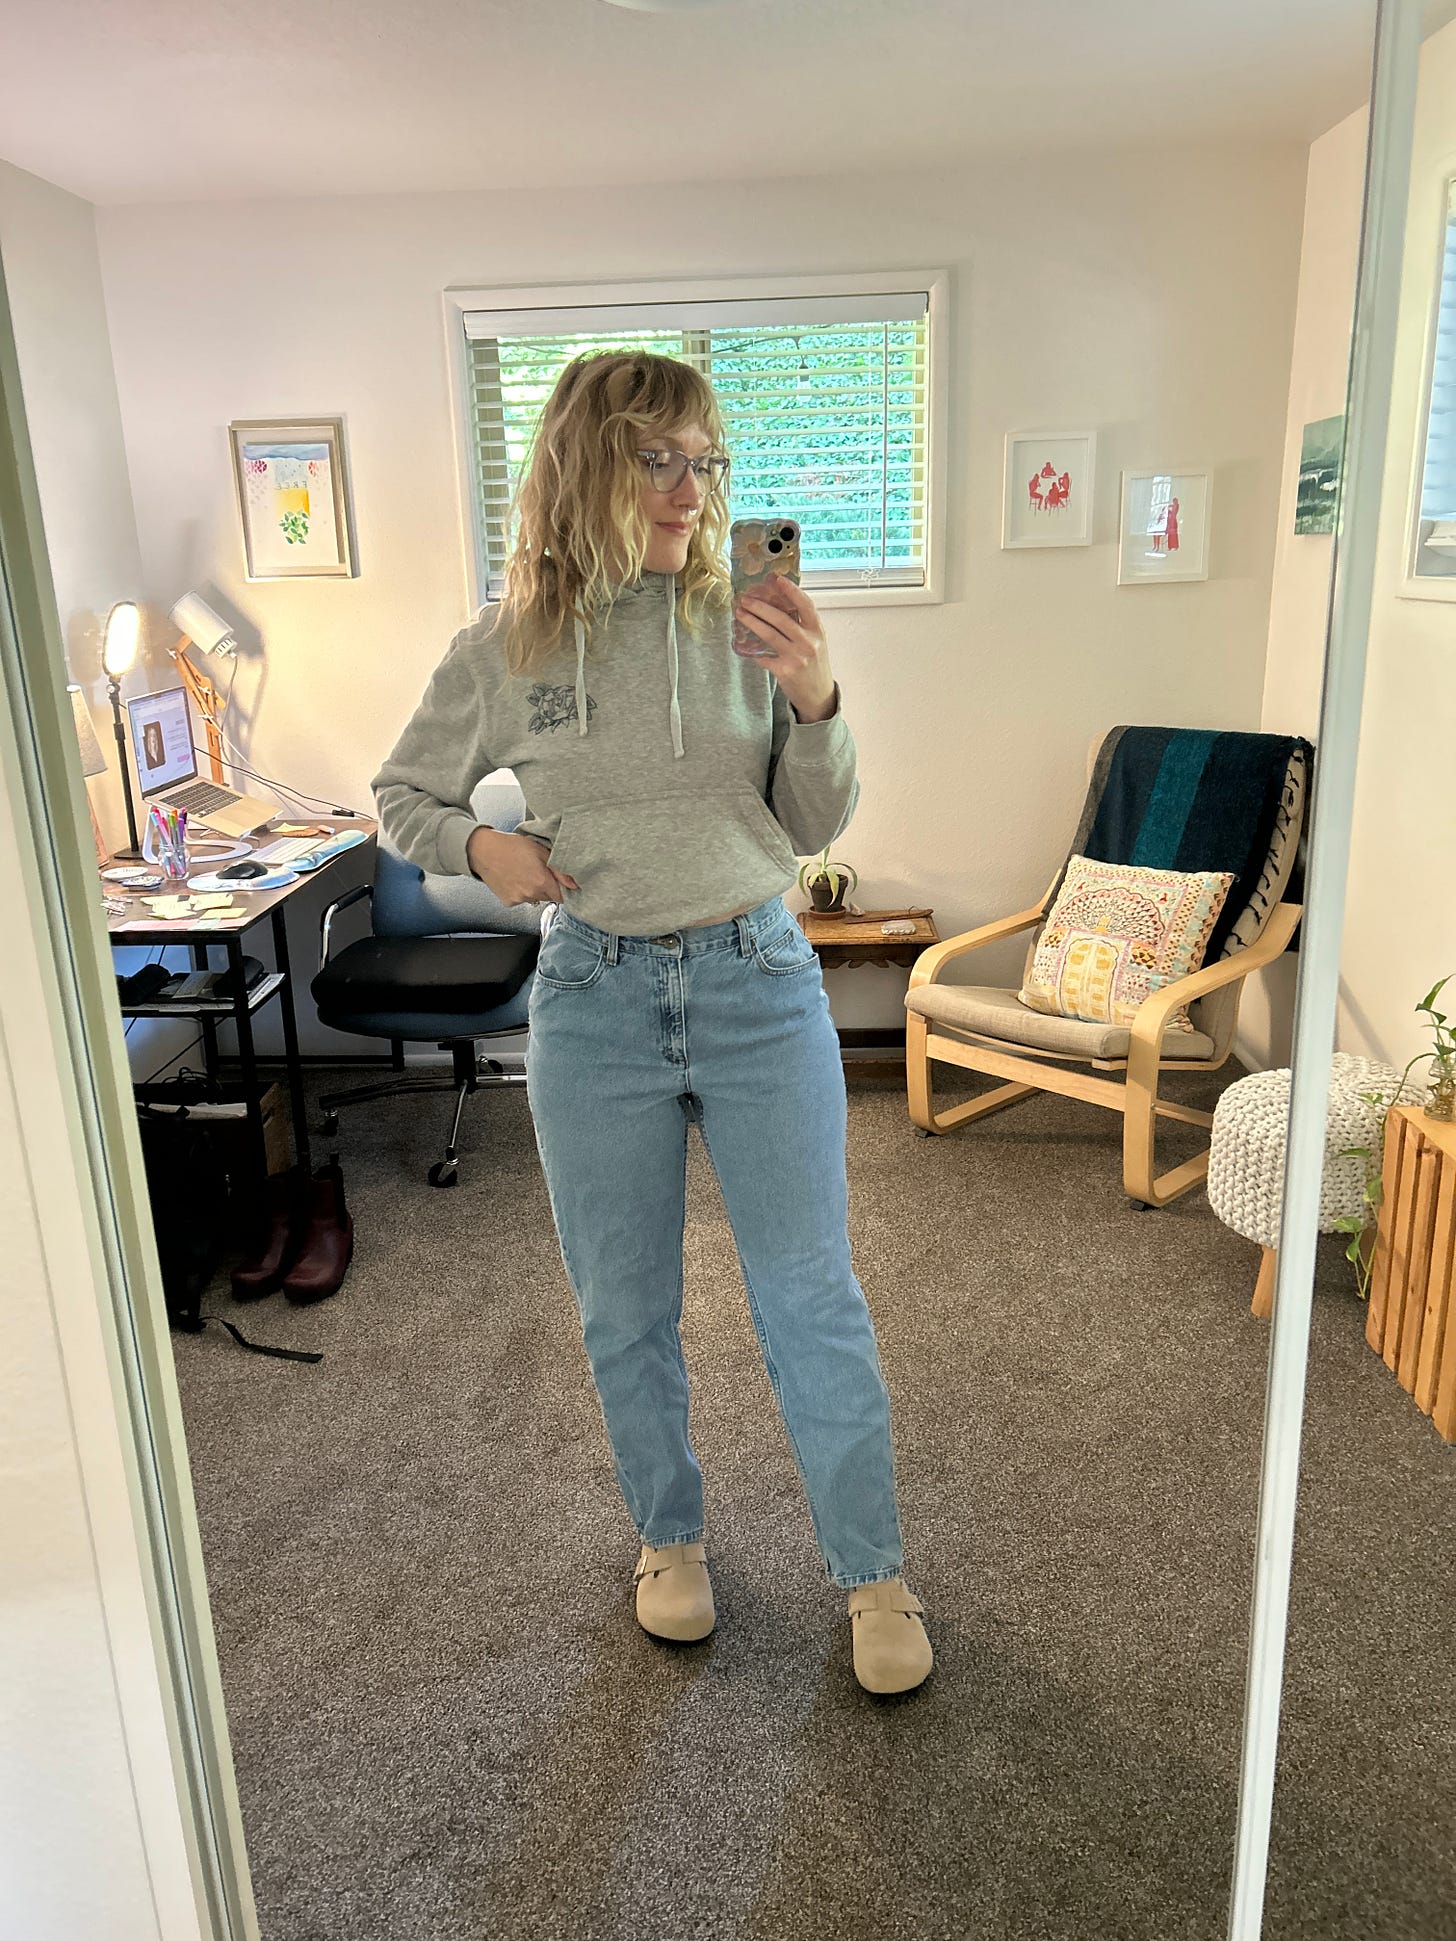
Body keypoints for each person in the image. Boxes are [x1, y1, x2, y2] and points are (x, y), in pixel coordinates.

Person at [371, 351, 931, 1695]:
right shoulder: (504, 643)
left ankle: (873, 1569)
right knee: (623, 1300)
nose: (691, 488)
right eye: (657, 458)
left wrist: (817, 701)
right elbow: (400, 794)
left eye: (706, 460)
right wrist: (482, 848)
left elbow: (810, 824)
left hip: (757, 977)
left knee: (809, 1292)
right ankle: (668, 1539)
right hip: (593, 996)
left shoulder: (747, 619)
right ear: (584, 465)